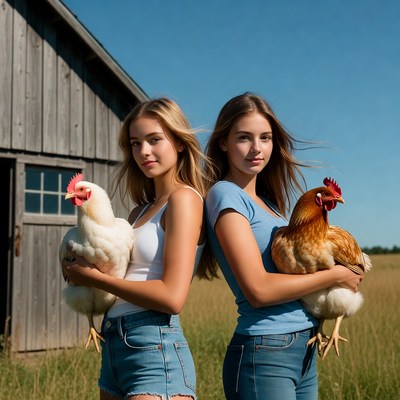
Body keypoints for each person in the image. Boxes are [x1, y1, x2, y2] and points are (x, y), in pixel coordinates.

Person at [202, 92, 362, 400]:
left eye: (265, 138)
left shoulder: (270, 204)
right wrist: (337, 276)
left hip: (302, 345)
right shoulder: (225, 194)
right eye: (244, 138)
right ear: (223, 142)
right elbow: (258, 291)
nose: (256, 148)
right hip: (265, 348)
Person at [63, 98, 210, 400]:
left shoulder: (184, 200)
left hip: (154, 343)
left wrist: (92, 278)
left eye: (155, 140)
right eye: (135, 143)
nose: (143, 151)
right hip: (115, 341)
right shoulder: (137, 214)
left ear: (180, 143)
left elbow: (172, 297)